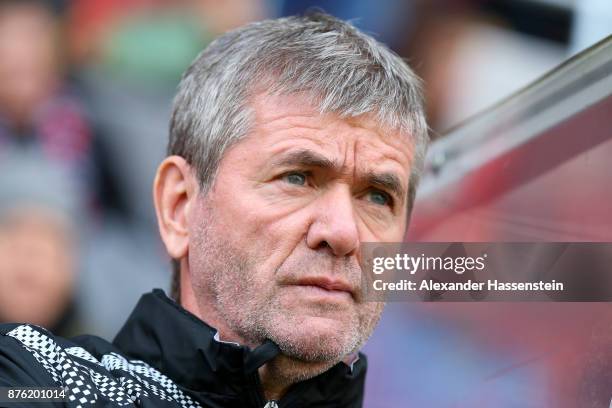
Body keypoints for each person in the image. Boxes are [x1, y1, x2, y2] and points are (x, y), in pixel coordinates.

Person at [0, 12, 428, 407]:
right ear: (179, 206)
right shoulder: (44, 380)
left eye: (377, 197)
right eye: (297, 177)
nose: (344, 232)